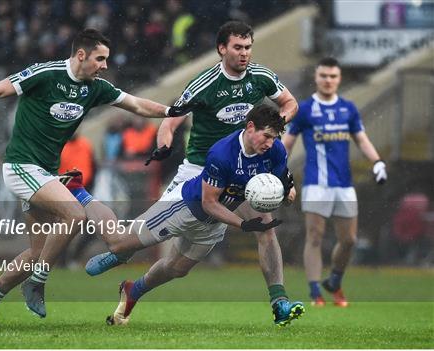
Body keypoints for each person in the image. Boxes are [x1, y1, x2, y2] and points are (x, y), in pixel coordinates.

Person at [0, 28, 197, 328]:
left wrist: (171, 111)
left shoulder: (95, 87)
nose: (105, 65)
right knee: (75, 214)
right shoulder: (46, 74)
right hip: (20, 167)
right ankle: (38, 283)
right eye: (100, 58)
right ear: (81, 55)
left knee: (37, 252)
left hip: (45, 173)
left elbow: (135, 104)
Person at [82, 105, 305, 327]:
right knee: (119, 243)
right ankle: (80, 195)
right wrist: (242, 224)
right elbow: (209, 203)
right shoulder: (222, 153)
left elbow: (281, 183)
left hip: (212, 224)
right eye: (266, 136)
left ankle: (133, 290)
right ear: (250, 127)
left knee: (176, 269)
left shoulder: (275, 150)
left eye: (274, 138)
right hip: (184, 208)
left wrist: (285, 194)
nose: (269, 143)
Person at [281, 57, 388, 307]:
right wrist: (275, 168)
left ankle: (335, 281)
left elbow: (361, 139)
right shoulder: (305, 109)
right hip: (316, 183)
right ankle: (315, 291)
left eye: (333, 76)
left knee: (349, 239)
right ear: (316, 78)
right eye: (324, 76)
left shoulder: (348, 109)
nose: (328, 80)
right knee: (315, 236)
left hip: (344, 184)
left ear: (339, 79)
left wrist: (377, 161)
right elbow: (287, 143)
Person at [145, 20, 298, 193]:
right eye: (238, 47)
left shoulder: (262, 77)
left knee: (267, 212)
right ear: (222, 49)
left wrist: (274, 125)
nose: (244, 53)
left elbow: (290, 103)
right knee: (158, 219)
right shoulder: (204, 85)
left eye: (248, 48)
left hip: (244, 167)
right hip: (200, 167)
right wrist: (164, 146)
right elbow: (169, 123)